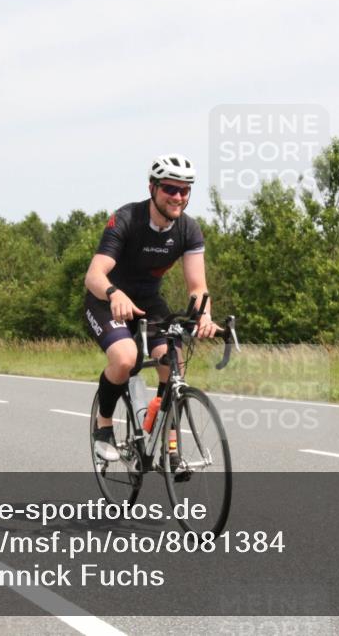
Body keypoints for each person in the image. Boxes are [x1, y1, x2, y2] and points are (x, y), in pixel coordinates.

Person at [84, 154, 219, 468]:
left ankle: (169, 445)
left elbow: (198, 287)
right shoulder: (127, 218)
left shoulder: (188, 230)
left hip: (148, 302)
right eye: (170, 188)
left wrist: (205, 315)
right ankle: (103, 427)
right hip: (107, 299)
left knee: (174, 363)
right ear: (153, 188)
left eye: (185, 190)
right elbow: (94, 274)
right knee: (125, 358)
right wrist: (113, 293)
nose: (178, 197)